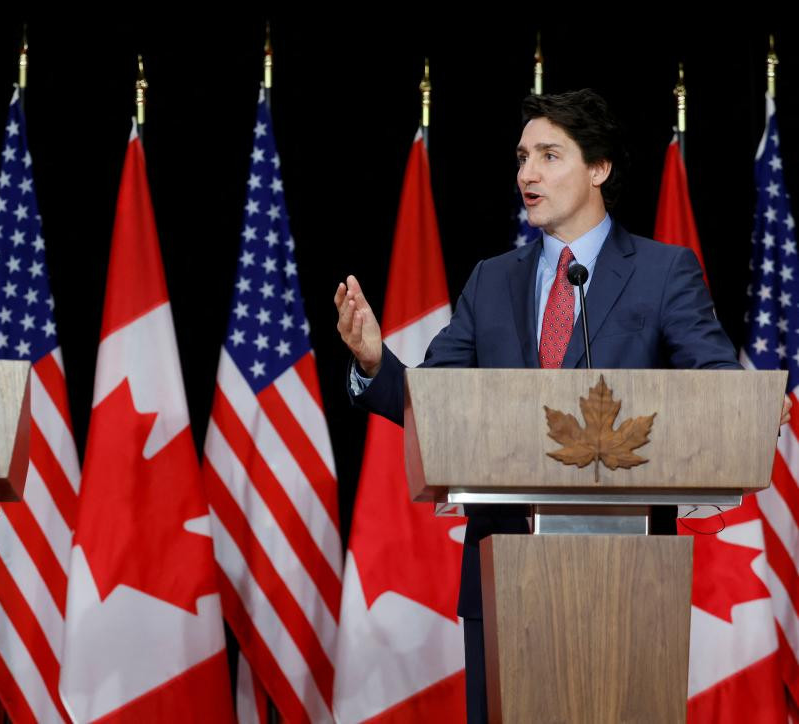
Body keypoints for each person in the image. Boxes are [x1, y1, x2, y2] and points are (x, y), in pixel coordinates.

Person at [334, 89, 789, 723]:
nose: (527, 174)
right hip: (500, 577)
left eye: (550, 156)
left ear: (598, 169)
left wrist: (747, 410)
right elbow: (435, 401)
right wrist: (375, 364)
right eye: (523, 157)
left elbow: (712, 383)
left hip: (630, 580)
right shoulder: (491, 280)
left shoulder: (663, 273)